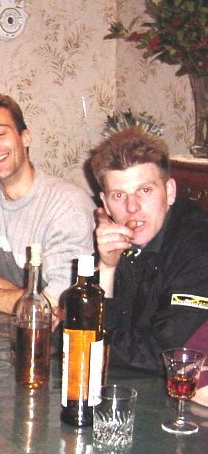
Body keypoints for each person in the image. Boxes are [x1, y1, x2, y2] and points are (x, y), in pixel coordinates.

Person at [0, 92, 95, 314]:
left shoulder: (68, 205)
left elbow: (59, 305)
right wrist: (28, 302)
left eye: (0, 133)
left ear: (25, 137)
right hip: (11, 324)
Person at [91, 126, 208, 374]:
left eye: (145, 190)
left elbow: (164, 354)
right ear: (105, 204)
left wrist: (80, 335)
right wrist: (107, 268)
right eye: (119, 195)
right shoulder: (118, 240)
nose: (132, 207)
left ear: (169, 192)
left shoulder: (199, 247)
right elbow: (84, 318)